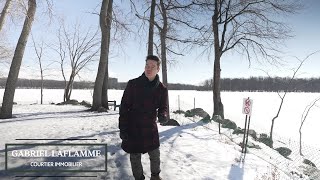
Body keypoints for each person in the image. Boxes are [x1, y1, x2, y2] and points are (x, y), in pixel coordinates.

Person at [118, 55, 168, 180]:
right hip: (133, 126)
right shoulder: (133, 84)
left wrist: (163, 115)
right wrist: (123, 128)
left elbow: (164, 107)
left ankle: (155, 176)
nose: (149, 69)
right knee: (135, 156)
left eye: (152, 66)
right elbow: (124, 108)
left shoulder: (162, 89)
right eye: (147, 65)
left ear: (158, 69)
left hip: (150, 127)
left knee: (155, 154)